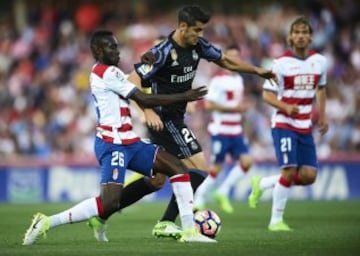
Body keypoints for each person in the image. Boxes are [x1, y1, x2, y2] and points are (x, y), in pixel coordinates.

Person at [88, 4, 276, 241]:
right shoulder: (163, 52)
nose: (200, 35)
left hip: (175, 118)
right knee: (198, 168)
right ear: (183, 27)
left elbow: (227, 62)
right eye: (196, 30)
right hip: (163, 119)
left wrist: (258, 71)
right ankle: (166, 222)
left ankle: (103, 216)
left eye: (202, 30)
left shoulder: (199, 46)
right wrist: (147, 112)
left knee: (156, 181)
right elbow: (133, 79)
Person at [22, 29, 216, 245]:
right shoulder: (105, 73)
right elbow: (143, 97)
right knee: (109, 202)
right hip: (113, 144)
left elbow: (135, 83)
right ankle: (47, 221)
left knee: (178, 168)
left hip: (129, 141)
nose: (117, 51)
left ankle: (189, 232)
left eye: (117, 46)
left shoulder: (111, 73)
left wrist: (148, 63)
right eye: (111, 47)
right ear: (97, 50)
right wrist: (183, 96)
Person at [247, 16, 328, 231]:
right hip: (284, 124)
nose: (300, 36)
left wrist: (323, 115)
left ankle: (263, 183)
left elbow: (321, 88)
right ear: (290, 37)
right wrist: (285, 107)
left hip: (305, 127)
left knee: (309, 176)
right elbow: (267, 95)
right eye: (297, 32)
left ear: (310, 36)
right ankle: (276, 221)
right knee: (290, 171)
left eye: (304, 32)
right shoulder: (280, 64)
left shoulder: (320, 61)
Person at [193, 44, 253, 214]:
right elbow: (208, 104)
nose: (234, 59)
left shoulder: (239, 79)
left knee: (247, 162)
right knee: (216, 168)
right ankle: (200, 198)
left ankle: (223, 191)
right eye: (231, 56)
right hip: (220, 130)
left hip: (236, 130)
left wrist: (241, 109)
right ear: (225, 57)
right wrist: (235, 109)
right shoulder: (218, 79)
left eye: (237, 56)